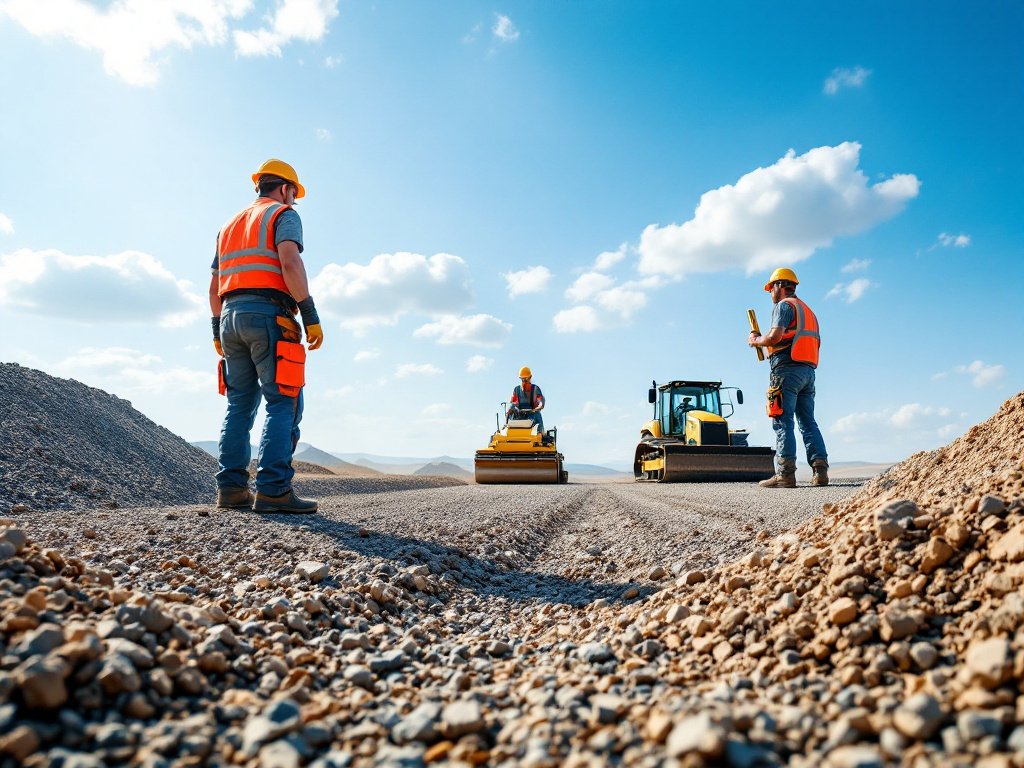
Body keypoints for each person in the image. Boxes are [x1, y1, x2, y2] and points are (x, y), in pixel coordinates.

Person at [209, 159, 325, 513]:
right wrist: (310, 314)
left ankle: (231, 490)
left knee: (239, 404)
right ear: (286, 188)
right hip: (269, 315)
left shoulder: (229, 225)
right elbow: (290, 263)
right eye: (294, 194)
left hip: (230, 316)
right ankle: (273, 490)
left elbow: (214, 284)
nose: (294, 201)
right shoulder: (282, 215)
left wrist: (216, 328)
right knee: (283, 400)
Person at [747, 267, 829, 488]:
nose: (770, 294)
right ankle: (820, 472)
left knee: (783, 422)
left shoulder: (784, 306)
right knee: (808, 422)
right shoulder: (808, 311)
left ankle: (785, 474)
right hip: (808, 372)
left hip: (786, 370)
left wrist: (755, 340)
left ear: (779, 286)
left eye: (771, 288)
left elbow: (775, 337)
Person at [507, 366, 545, 433]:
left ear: (530, 377)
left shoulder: (536, 389)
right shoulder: (517, 390)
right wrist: (511, 409)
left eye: (526, 379)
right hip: (519, 416)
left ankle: (539, 434)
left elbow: (540, 402)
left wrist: (538, 407)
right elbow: (513, 402)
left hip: (533, 415)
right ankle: (507, 429)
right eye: (522, 379)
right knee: (511, 410)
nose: (524, 381)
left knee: (537, 415)